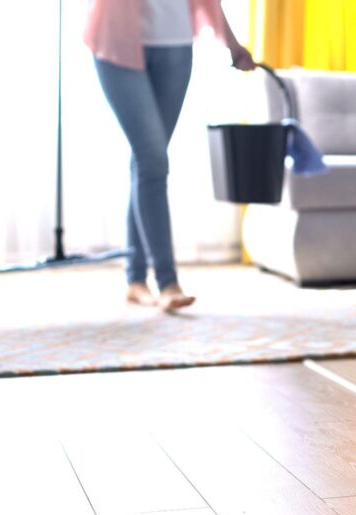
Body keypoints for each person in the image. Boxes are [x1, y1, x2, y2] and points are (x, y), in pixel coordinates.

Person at [84, 0, 256, 311]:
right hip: (117, 45)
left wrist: (232, 44)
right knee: (152, 160)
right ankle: (168, 283)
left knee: (147, 162)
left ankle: (135, 280)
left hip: (175, 49)